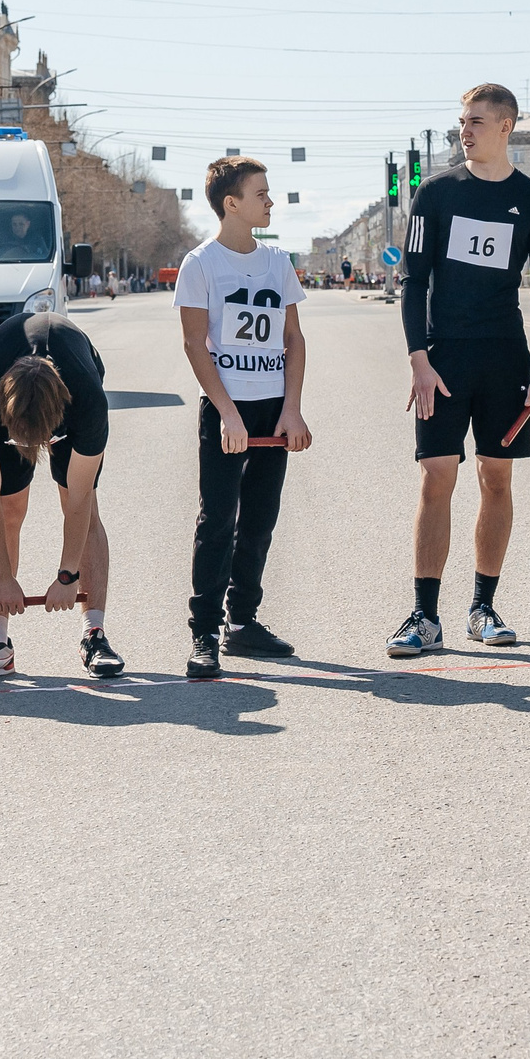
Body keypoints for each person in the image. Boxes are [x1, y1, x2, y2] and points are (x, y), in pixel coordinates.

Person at [389, 84, 530, 658]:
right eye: (461, 121)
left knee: (497, 478)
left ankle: (483, 607)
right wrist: (418, 357)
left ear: (507, 126)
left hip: (506, 358)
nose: (465, 131)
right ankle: (423, 615)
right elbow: (414, 282)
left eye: (478, 122)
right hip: (444, 358)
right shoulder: (434, 194)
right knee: (437, 475)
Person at [175, 155, 312, 680]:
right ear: (231, 204)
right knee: (218, 521)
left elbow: (293, 338)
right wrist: (228, 414)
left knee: (259, 520)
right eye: (262, 194)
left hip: (274, 410)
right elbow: (194, 344)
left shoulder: (277, 261)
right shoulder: (201, 264)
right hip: (226, 411)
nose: (271, 201)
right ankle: (205, 632)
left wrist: (292, 408)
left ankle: (243, 622)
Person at [0, 309, 116, 679]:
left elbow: (79, 501)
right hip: (2, 392)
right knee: (8, 508)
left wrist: (67, 575)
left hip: (76, 375)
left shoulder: (88, 404)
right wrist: (3, 576)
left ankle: (95, 633)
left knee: (83, 508)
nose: (31, 445)